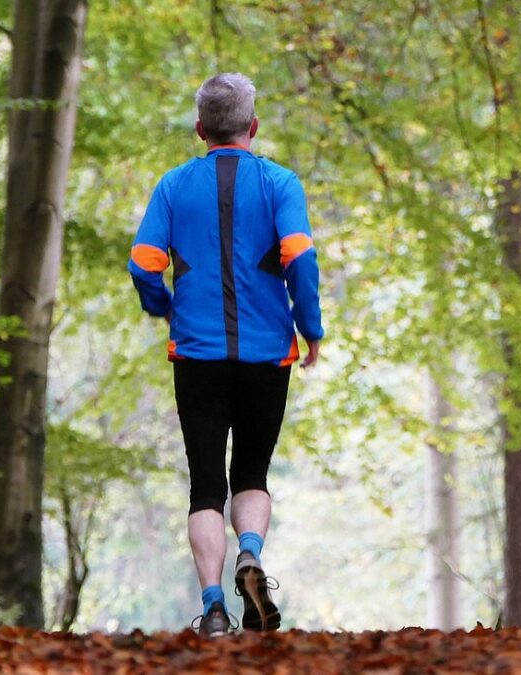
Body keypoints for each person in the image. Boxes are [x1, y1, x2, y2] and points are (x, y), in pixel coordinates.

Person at [127, 73, 324, 638]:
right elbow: (300, 260)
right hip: (267, 355)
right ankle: (252, 555)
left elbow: (142, 262)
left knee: (206, 484)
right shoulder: (281, 183)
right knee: (253, 474)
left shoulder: (173, 186)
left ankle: (214, 607)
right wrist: (310, 329)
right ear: (253, 127)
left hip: (196, 353)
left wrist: (163, 305)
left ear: (199, 129)